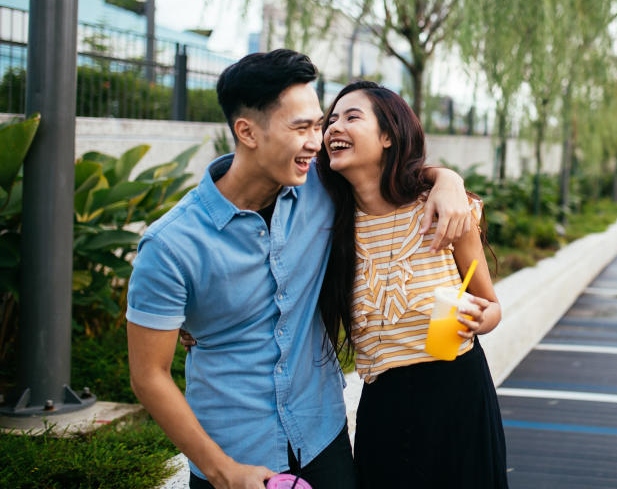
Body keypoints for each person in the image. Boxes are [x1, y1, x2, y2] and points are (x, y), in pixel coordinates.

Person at [126, 50, 473, 489]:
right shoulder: (171, 245)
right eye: (302, 128)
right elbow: (148, 375)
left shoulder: (322, 187)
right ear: (247, 132)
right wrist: (221, 471)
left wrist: (448, 179)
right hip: (235, 456)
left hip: (323, 442)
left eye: (319, 124)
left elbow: (390, 170)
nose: (319, 140)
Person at [317, 80, 509, 488]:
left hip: (457, 392)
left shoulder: (442, 209)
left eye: (352, 117)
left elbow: (490, 305)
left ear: (387, 135)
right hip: (383, 406)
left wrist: (480, 318)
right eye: (330, 119)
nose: (334, 127)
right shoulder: (327, 223)